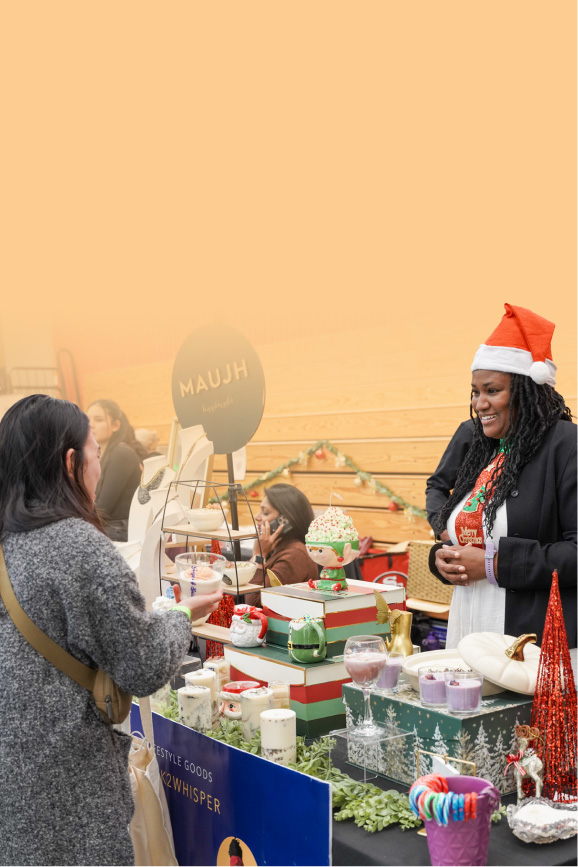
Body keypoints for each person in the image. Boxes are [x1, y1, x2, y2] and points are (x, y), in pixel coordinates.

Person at [0, 394, 222, 866]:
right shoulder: (77, 545)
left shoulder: (8, 545)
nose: (100, 465)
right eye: (96, 452)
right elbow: (142, 666)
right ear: (70, 462)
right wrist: (178, 615)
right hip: (69, 791)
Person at [426, 303, 576, 651]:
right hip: (470, 628)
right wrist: (444, 557)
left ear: (529, 391)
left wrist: (496, 565)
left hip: (532, 646)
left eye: (492, 390)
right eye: (476, 392)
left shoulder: (567, 446)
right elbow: (471, 529)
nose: (480, 403)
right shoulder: (482, 446)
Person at [246, 484, 319, 607]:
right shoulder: (277, 547)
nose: (257, 517)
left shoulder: (295, 555)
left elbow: (256, 603)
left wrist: (258, 556)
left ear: (284, 521)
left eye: (265, 512)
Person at [87, 398, 142, 541]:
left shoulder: (121, 454)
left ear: (116, 425)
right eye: (88, 419)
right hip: (106, 528)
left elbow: (104, 508)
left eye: (98, 420)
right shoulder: (99, 454)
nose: (91, 425)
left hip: (118, 531)